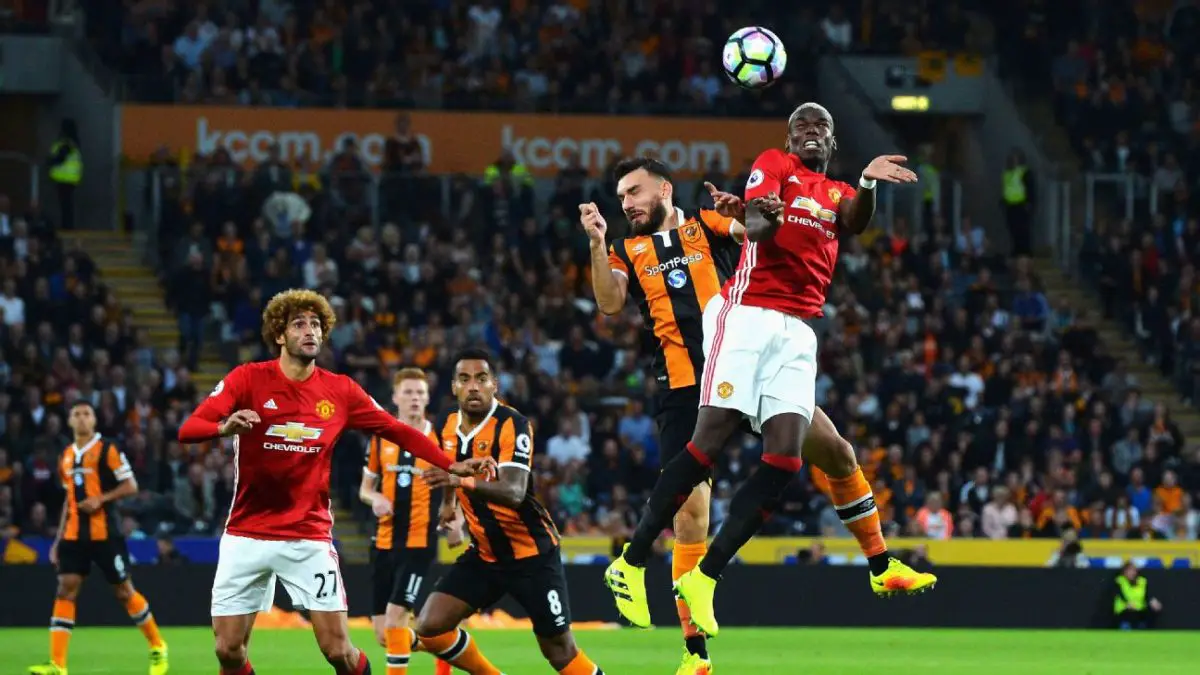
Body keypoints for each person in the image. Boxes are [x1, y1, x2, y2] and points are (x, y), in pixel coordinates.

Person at [603, 103, 936, 637]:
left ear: (832, 142)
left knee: (787, 458)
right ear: (788, 139)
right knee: (708, 443)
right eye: (801, 126)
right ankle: (632, 559)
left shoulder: (836, 192)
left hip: (798, 330)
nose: (810, 132)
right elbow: (755, 225)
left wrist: (868, 183)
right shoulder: (774, 165)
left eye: (821, 126)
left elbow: (854, 220)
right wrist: (763, 215)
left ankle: (709, 578)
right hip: (749, 315)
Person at [177, 289, 493, 675]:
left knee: (339, 652)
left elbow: (397, 430)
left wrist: (452, 464)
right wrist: (223, 427)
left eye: (316, 324)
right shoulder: (248, 379)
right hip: (246, 533)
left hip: (307, 536)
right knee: (228, 650)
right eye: (299, 324)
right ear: (279, 334)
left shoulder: (340, 390)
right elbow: (188, 429)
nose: (310, 331)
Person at [415, 349, 606, 675]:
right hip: (486, 555)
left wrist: (459, 480)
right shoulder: (446, 423)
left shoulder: (512, 424)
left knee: (559, 651)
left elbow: (514, 492)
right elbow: (449, 465)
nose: (473, 387)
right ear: (454, 387)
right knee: (430, 626)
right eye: (465, 379)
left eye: (481, 379)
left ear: (495, 384)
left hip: (532, 555)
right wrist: (449, 504)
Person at [29, 401, 169, 675]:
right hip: (73, 535)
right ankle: (58, 664)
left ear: (94, 420)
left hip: (105, 533)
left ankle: (157, 646)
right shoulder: (66, 455)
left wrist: (101, 499)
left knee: (124, 591)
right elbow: (69, 500)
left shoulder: (108, 449)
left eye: (87, 414)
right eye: (76, 414)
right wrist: (58, 539)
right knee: (65, 589)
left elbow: (131, 485)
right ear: (70, 421)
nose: (82, 418)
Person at [360, 367, 458, 675]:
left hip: (419, 540)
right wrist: (375, 498)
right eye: (408, 392)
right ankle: (445, 645)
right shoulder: (380, 439)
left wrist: (455, 519)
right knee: (384, 634)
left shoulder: (440, 439)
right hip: (383, 541)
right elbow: (365, 489)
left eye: (420, 393)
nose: (415, 398)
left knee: (395, 618)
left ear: (427, 399)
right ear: (395, 397)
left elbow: (454, 482)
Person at [1113, 561, 1163, 630]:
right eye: (1129, 570)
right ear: (1124, 572)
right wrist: (1127, 603)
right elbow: (1120, 594)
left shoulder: (1142, 581)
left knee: (1152, 610)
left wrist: (1153, 601)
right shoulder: (1119, 581)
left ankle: (1146, 630)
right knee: (1131, 613)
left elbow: (1147, 595)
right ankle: (1126, 627)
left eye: (1133, 570)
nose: (1132, 573)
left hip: (1139, 610)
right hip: (1124, 610)